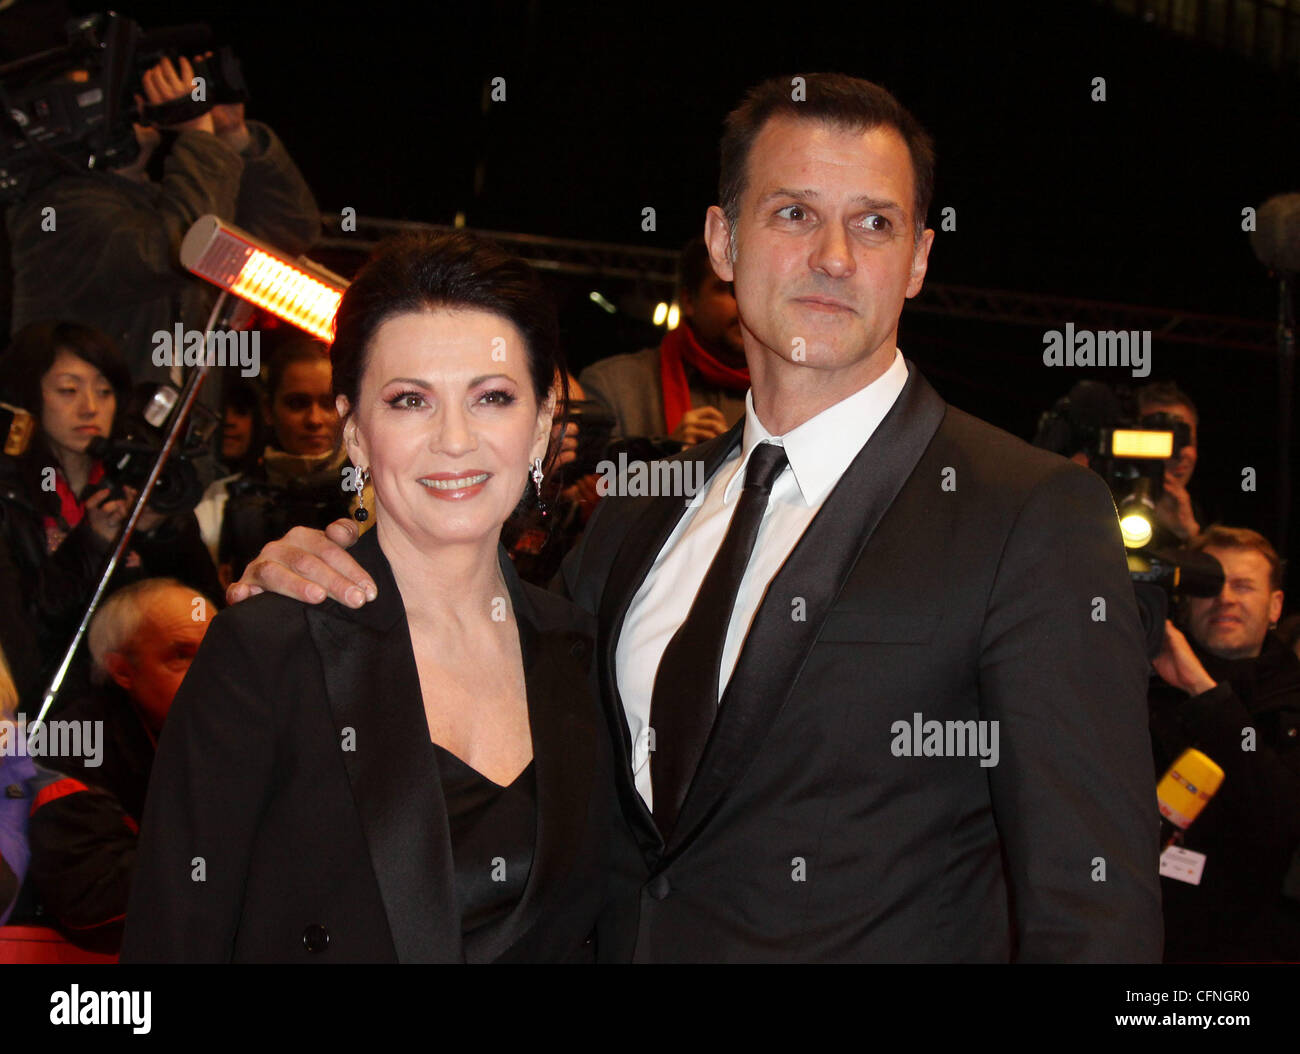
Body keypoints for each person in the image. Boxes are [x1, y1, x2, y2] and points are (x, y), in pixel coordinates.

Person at [229, 73, 1162, 961]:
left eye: (874, 223)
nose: (834, 257)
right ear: (722, 243)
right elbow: (482, 670)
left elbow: (1091, 904)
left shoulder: (1026, 514)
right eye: (793, 214)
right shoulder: (641, 514)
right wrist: (334, 580)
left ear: (918, 258)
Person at [121, 231, 617, 963]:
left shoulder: (584, 652)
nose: (455, 440)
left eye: (493, 398)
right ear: (355, 433)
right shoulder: (267, 651)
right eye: (411, 400)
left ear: (542, 424)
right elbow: (169, 945)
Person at [6, 54, 320, 389]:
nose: (134, 100)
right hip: (94, 437)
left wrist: (233, 135)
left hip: (170, 438)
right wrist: (199, 134)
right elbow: (191, 248)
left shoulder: (160, 204)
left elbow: (289, 232)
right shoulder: (54, 219)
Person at [0, 321, 222, 697]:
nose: (90, 408)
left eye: (105, 392)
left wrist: (157, 531)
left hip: (155, 701)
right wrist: (92, 541)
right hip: (57, 710)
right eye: (68, 390)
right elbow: (27, 632)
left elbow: (206, 608)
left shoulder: (136, 480)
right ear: (29, 395)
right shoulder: (12, 499)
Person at [1149, 525, 1300, 960]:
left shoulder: (1292, 704)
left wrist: (1204, 692)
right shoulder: (1134, 685)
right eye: (1210, 584)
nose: (1225, 598)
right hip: (1141, 936)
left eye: (1244, 586)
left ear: (1275, 607)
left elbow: (1283, 819)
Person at [197, 336, 350, 582]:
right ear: (269, 410)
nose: (314, 419)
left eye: (327, 403)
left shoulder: (373, 493)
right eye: (297, 404)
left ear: (345, 408)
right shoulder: (222, 499)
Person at [580, 236, 748, 447]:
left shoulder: (795, 395)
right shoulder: (611, 384)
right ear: (688, 300)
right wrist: (664, 457)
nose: (745, 302)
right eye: (727, 289)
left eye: (753, 288)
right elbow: (588, 478)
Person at [1136, 381, 1205, 546]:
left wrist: (1189, 535)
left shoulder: (1191, 513)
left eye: (1186, 441)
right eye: (1165, 441)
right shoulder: (1098, 498)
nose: (1181, 454)